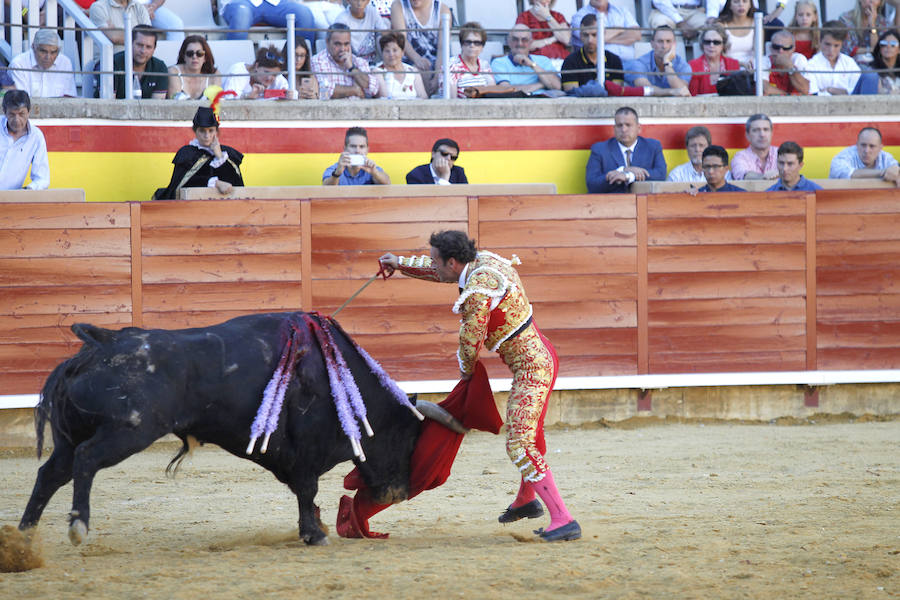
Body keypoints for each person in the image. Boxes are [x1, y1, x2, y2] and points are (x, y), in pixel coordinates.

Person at [378, 230, 581, 543]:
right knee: (532, 433)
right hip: (542, 353)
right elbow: (439, 271)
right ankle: (526, 501)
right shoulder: (482, 261)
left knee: (519, 444)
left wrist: (466, 373)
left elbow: (470, 342)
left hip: (533, 368)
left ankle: (563, 519)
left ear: (454, 261)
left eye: (437, 260)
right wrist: (400, 263)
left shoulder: (477, 291)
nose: (434, 265)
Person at [154, 105, 244, 200]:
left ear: (216, 132)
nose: (207, 135)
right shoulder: (187, 153)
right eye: (202, 131)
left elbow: (236, 184)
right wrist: (216, 183)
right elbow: (182, 184)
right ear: (195, 131)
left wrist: (219, 156)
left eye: (211, 131)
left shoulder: (227, 153)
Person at [585, 106, 666, 193]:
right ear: (614, 128)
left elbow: (661, 175)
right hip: (611, 204)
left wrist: (629, 176)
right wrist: (622, 170)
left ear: (638, 128)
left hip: (644, 203)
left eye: (628, 125)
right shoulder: (600, 149)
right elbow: (592, 184)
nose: (624, 130)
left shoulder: (653, 146)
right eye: (619, 125)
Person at [390, 0, 453, 96]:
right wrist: (417, 59)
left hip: (438, 62)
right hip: (409, 60)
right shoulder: (398, 6)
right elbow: (402, 40)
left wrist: (437, 75)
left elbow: (442, 47)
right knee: (420, 69)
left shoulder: (442, 9)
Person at [312, 23, 380, 99]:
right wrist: (355, 90)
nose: (343, 49)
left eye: (346, 44)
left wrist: (351, 67)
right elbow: (324, 91)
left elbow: (374, 89)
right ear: (327, 42)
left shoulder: (358, 61)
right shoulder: (318, 60)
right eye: (337, 44)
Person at [490, 25, 561, 96]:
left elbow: (557, 86)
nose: (520, 43)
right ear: (508, 41)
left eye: (524, 40)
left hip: (545, 101)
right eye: (515, 39)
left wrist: (531, 64)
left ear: (531, 42)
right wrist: (542, 84)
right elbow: (506, 90)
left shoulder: (543, 60)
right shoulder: (499, 62)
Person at [806, 21, 874, 95]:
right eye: (827, 44)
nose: (831, 50)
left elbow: (858, 90)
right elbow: (814, 94)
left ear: (842, 45)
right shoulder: (811, 65)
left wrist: (831, 90)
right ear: (820, 41)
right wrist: (844, 92)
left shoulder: (849, 63)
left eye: (836, 45)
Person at [561, 13, 625, 91]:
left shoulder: (614, 60)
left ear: (603, 34)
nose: (590, 40)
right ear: (580, 36)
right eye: (586, 35)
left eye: (594, 35)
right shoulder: (570, 62)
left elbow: (616, 93)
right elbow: (571, 95)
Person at [0, 90, 49, 190]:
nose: (17, 120)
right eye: (12, 114)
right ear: (4, 111)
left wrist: (27, 190)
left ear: (29, 111)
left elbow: (42, 178)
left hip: (11, 200)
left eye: (21, 114)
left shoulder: (36, 137)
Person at [101, 25, 167, 99]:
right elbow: (109, 104)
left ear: (154, 49)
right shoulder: (112, 64)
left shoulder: (159, 67)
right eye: (139, 45)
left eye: (148, 47)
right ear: (129, 43)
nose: (143, 51)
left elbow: (157, 106)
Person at [8, 29, 77, 98]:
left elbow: (70, 97)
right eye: (43, 51)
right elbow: (20, 102)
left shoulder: (65, 63)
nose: (48, 57)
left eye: (53, 52)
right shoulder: (19, 64)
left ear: (58, 51)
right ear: (33, 47)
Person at [624, 25, 691, 96]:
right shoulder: (639, 64)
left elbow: (682, 92)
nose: (664, 46)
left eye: (668, 41)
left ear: (674, 44)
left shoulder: (683, 66)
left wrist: (667, 63)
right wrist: (671, 91)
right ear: (652, 44)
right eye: (660, 41)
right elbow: (647, 90)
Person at [218, 0, 316, 45]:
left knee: (304, 14)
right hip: (242, 3)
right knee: (241, 14)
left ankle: (302, 68)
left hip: (275, 3)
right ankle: (235, 68)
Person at [571, 0, 641, 61]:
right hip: (601, 65)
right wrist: (620, 29)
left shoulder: (622, 11)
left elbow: (637, 34)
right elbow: (590, 40)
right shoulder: (580, 16)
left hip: (629, 62)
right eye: (595, 34)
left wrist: (602, 39)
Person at [829, 126, 900, 185]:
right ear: (857, 144)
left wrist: (896, 171)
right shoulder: (842, 157)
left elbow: (895, 168)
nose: (867, 150)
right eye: (863, 145)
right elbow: (849, 174)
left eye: (872, 146)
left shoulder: (885, 157)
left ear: (880, 148)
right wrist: (882, 172)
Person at [322, 127, 391, 185]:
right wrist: (337, 173)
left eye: (362, 146)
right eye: (353, 146)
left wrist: (375, 173)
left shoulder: (371, 168)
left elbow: (388, 183)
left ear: (367, 150)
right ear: (345, 149)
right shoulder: (335, 169)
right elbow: (325, 188)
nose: (357, 151)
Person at [443, 21, 495, 99]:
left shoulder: (485, 65)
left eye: (477, 43)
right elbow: (452, 100)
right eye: (468, 42)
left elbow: (492, 92)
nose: (472, 45)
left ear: (482, 47)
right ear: (461, 44)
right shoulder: (451, 65)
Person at [515, 0, 571, 70]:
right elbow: (524, 45)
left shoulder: (558, 16)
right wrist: (552, 39)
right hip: (536, 63)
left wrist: (548, 16)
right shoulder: (524, 17)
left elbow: (566, 39)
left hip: (560, 60)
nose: (544, 1)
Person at [839, 0, 898, 67]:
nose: (871, 1)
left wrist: (872, 24)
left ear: (880, 3)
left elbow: (878, 51)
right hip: (849, 66)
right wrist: (870, 49)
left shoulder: (884, 23)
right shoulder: (845, 19)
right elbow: (847, 48)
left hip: (874, 67)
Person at [688, 23, 741, 95]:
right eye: (707, 42)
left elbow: (737, 95)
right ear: (702, 44)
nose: (711, 45)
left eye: (716, 42)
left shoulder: (733, 64)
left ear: (723, 45)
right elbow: (693, 96)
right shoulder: (693, 65)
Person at [223, 45, 290, 99]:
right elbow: (229, 98)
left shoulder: (278, 78)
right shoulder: (238, 71)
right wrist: (247, 96)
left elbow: (289, 93)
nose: (269, 78)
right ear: (256, 66)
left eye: (274, 75)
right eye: (266, 72)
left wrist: (289, 96)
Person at [760, 30, 814, 95]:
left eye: (786, 48)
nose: (780, 51)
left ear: (793, 49)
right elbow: (766, 89)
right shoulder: (763, 61)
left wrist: (790, 67)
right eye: (776, 47)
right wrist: (789, 96)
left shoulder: (798, 59)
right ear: (771, 48)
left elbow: (805, 89)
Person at [334, 0, 388, 65]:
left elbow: (385, 33)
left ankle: (388, 65)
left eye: (363, 0)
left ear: (368, 1)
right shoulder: (342, 20)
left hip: (374, 62)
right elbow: (341, 47)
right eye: (356, 0)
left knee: (382, 35)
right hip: (354, 63)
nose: (359, 4)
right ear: (348, 1)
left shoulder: (372, 11)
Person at [375, 32, 427, 99]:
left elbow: (423, 97)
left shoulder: (412, 71)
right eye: (387, 51)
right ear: (382, 53)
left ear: (402, 52)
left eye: (395, 50)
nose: (391, 54)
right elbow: (385, 98)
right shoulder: (378, 72)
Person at [167, 35, 221, 100]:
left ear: (205, 57)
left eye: (200, 53)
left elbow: (215, 103)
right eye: (190, 53)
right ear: (183, 56)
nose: (194, 57)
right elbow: (174, 104)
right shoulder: (173, 72)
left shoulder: (214, 75)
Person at [730, 113, 777, 181]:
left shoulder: (780, 153)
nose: (762, 134)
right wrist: (766, 177)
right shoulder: (741, 157)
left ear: (771, 133)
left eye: (766, 129)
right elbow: (742, 175)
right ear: (747, 135)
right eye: (756, 130)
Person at [648, 0, 717, 42]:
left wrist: (712, 16)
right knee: (662, 27)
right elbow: (659, 1)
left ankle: (704, 65)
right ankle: (666, 63)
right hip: (665, 11)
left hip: (694, 11)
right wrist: (680, 22)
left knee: (713, 30)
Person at [718, 0, 758, 67]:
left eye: (745, 1)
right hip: (728, 66)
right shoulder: (721, 25)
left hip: (751, 66)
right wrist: (741, 64)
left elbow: (757, 51)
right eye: (736, 1)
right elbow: (719, 54)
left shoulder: (757, 23)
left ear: (750, 4)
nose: (741, 5)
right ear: (729, 5)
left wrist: (750, 63)